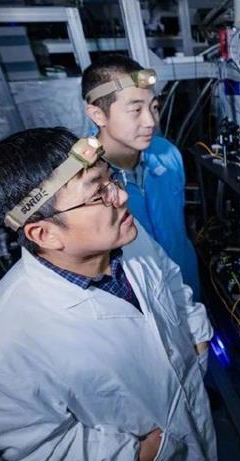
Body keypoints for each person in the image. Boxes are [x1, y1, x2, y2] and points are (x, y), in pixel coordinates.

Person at [0, 127, 216, 461]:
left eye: (111, 179)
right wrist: (139, 456)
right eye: (98, 194)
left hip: (197, 422)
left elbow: (168, 277)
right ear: (45, 233)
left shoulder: (124, 234)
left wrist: (197, 338)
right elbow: (35, 455)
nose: (121, 196)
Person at [81, 54, 202, 300]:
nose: (151, 122)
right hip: (143, 299)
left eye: (154, 107)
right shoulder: (83, 181)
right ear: (98, 114)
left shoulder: (167, 154)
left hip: (187, 281)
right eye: (136, 110)